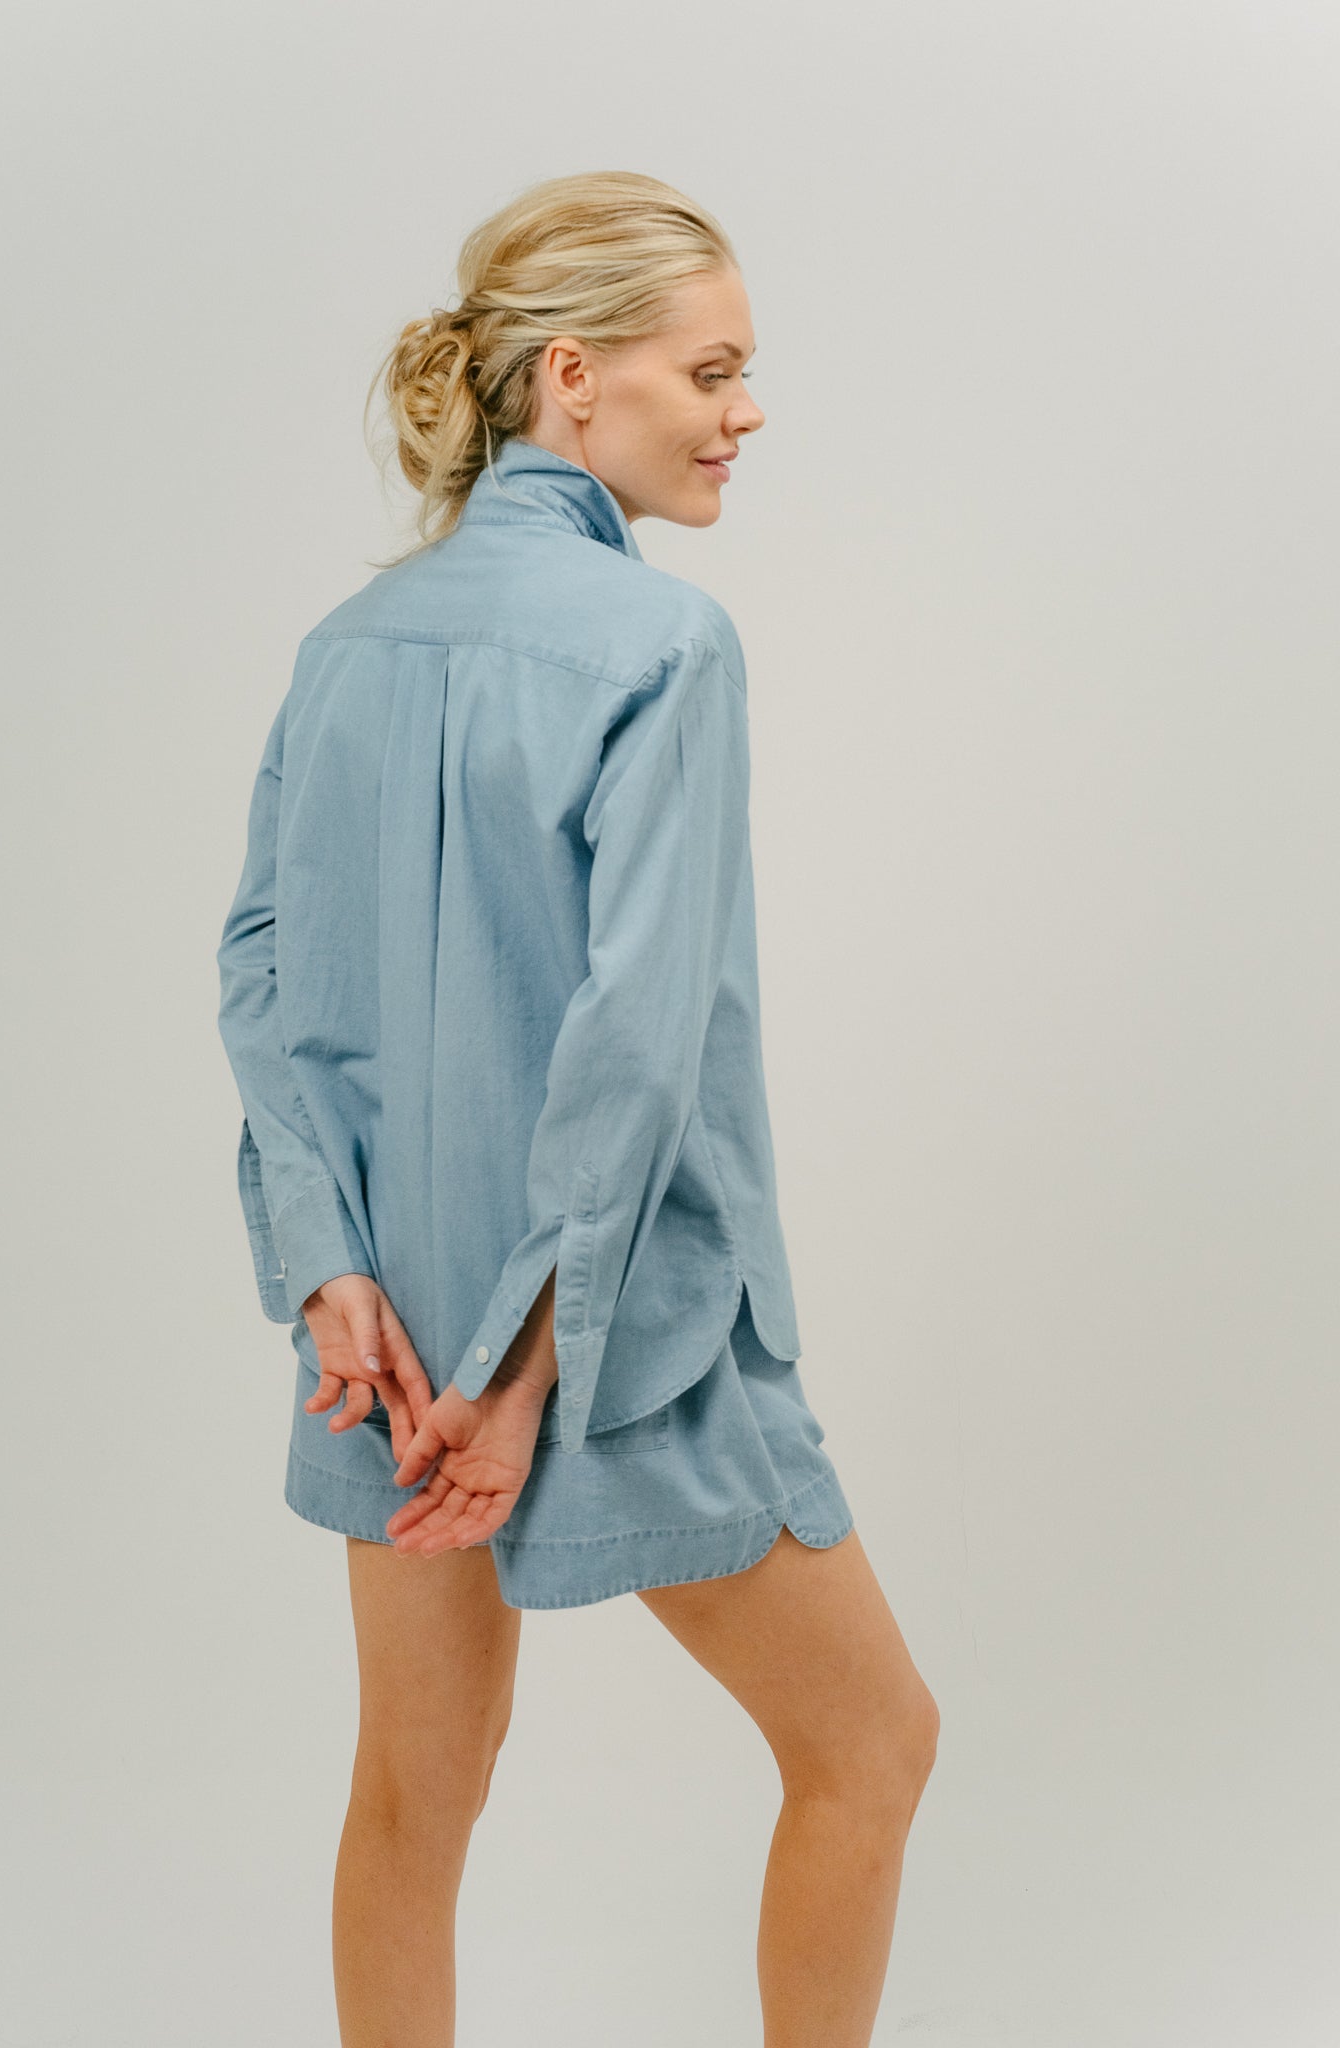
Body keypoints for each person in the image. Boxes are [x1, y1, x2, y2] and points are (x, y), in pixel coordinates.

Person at [216, 170, 938, 2047]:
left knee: (414, 1791)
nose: (745, 411)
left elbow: (261, 976)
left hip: (390, 1340)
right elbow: (638, 1045)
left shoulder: (347, 643)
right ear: (569, 376)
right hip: (619, 1337)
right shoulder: (663, 646)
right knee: (871, 1743)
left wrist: (327, 1275)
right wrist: (536, 1368)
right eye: (713, 369)